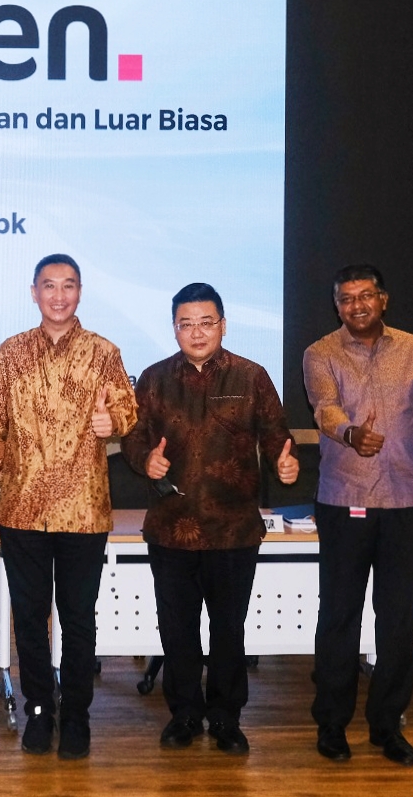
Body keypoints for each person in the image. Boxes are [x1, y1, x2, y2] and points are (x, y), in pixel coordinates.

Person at [121, 282, 297, 755]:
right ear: (174, 328)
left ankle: (225, 717)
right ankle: (183, 714)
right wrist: (145, 460)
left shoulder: (252, 376)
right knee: (177, 630)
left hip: (233, 530)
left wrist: (284, 462)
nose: (196, 332)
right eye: (186, 324)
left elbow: (276, 434)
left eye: (206, 322)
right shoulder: (154, 378)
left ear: (223, 324)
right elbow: (134, 438)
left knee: (228, 631)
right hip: (171, 528)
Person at [0, 254, 137, 760]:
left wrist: (112, 422)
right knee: (29, 618)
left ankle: (76, 716)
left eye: (68, 285)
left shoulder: (104, 352)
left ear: (80, 291)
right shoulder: (10, 353)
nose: (58, 295)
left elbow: (128, 408)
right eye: (49, 286)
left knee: (78, 618)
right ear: (34, 292)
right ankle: (38, 711)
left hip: (83, 510)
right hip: (22, 509)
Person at [304, 264, 413, 767]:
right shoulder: (320, 353)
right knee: (338, 617)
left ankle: (387, 726)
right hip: (344, 501)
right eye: (346, 298)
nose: (357, 305)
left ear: (383, 299)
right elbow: (324, 408)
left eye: (365, 295)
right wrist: (350, 433)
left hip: (408, 504)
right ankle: (331, 724)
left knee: (397, 622)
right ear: (337, 306)